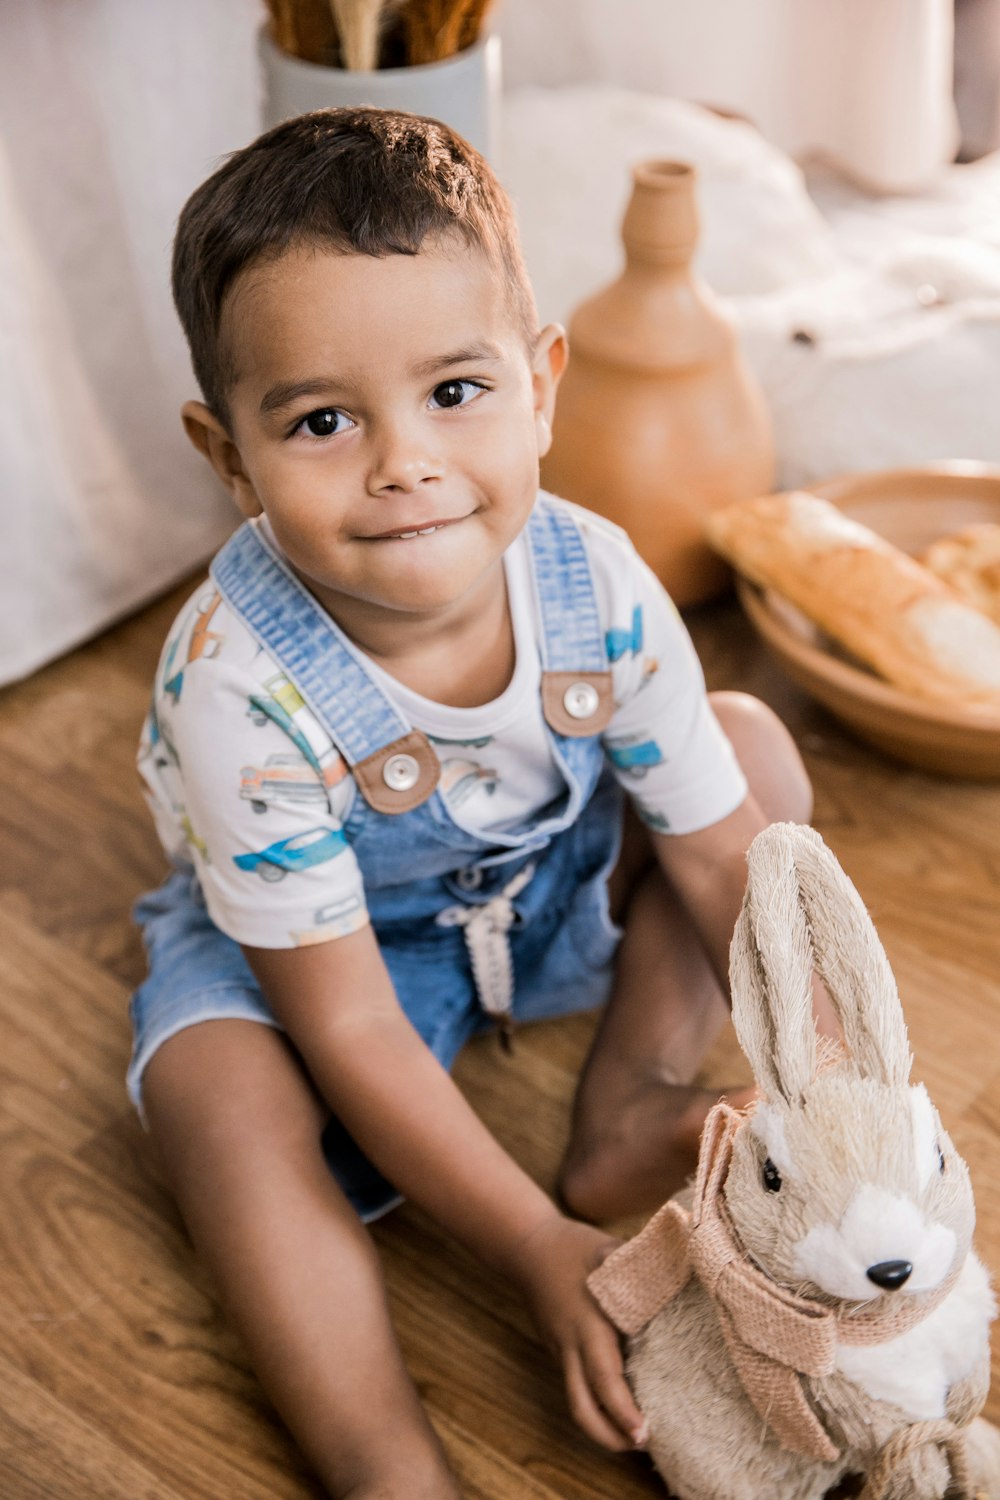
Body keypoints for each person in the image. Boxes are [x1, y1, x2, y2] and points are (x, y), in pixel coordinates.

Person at [131, 106, 832, 1499]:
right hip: (330, 962)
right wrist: (529, 1250)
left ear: (540, 381)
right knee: (209, 1092)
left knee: (749, 755)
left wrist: (837, 1103)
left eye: (456, 392)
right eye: (323, 421)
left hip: (546, 892)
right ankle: (384, 1459)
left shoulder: (601, 584)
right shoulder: (234, 686)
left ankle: (626, 1103)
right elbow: (343, 1023)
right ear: (230, 458)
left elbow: (718, 860)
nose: (405, 464)